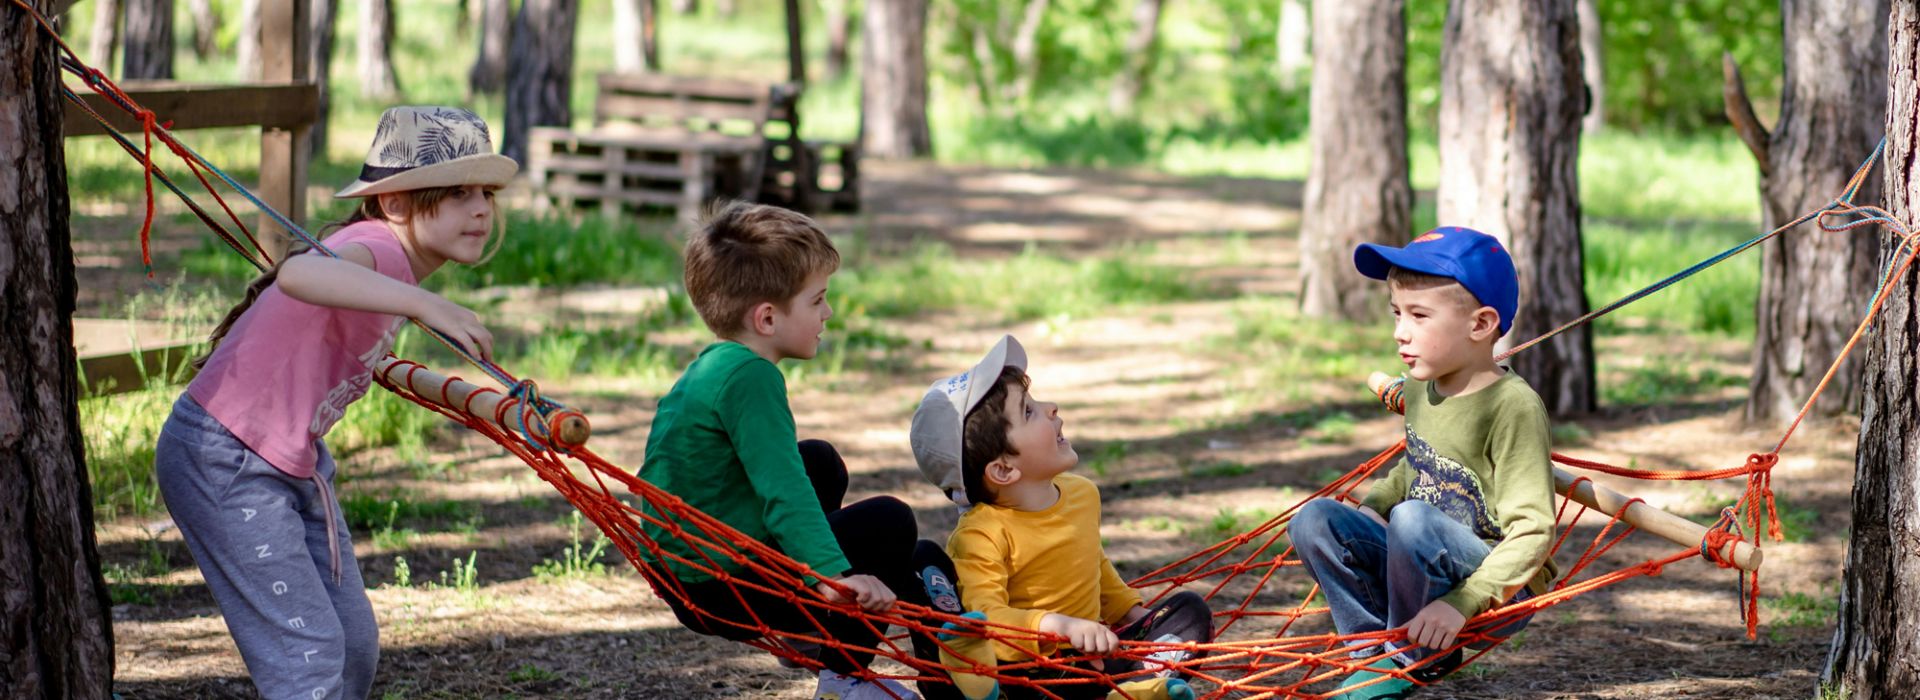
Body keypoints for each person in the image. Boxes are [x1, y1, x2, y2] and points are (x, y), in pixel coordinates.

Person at [155, 106, 515, 699]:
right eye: (456, 192)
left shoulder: (387, 262)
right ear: (395, 203)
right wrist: (423, 306)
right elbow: (299, 277)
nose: (480, 208)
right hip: (225, 459)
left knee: (350, 647)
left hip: (290, 463)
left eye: (485, 192)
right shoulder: (373, 246)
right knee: (309, 659)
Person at [639, 202, 967, 700]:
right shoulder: (751, 378)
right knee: (891, 522)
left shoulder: (718, 364)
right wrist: (835, 581)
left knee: (820, 460)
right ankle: (844, 678)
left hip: (685, 567)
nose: (828, 313)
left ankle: (812, 630)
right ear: (767, 317)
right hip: (720, 587)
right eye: (817, 301)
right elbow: (784, 491)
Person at [1289, 226, 1559, 699]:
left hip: (1496, 588)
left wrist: (1461, 603)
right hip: (1421, 560)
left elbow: (1534, 531)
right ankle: (1373, 649)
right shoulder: (1421, 384)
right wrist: (1373, 506)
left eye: (1418, 315)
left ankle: (1408, 661)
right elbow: (1417, 465)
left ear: (1480, 325)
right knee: (1315, 519)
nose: (1399, 332)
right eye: (1397, 313)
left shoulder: (1513, 407)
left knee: (1411, 519)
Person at [911, 335, 1212, 700]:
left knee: (1189, 611)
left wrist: (1134, 615)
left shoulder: (1081, 494)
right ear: (1004, 470)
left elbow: (1092, 564)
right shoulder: (982, 533)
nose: (1050, 407)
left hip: (1093, 659)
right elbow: (986, 619)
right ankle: (1130, 690)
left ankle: (1129, 684)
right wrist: (1059, 627)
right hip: (1026, 672)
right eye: (1028, 411)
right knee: (965, 643)